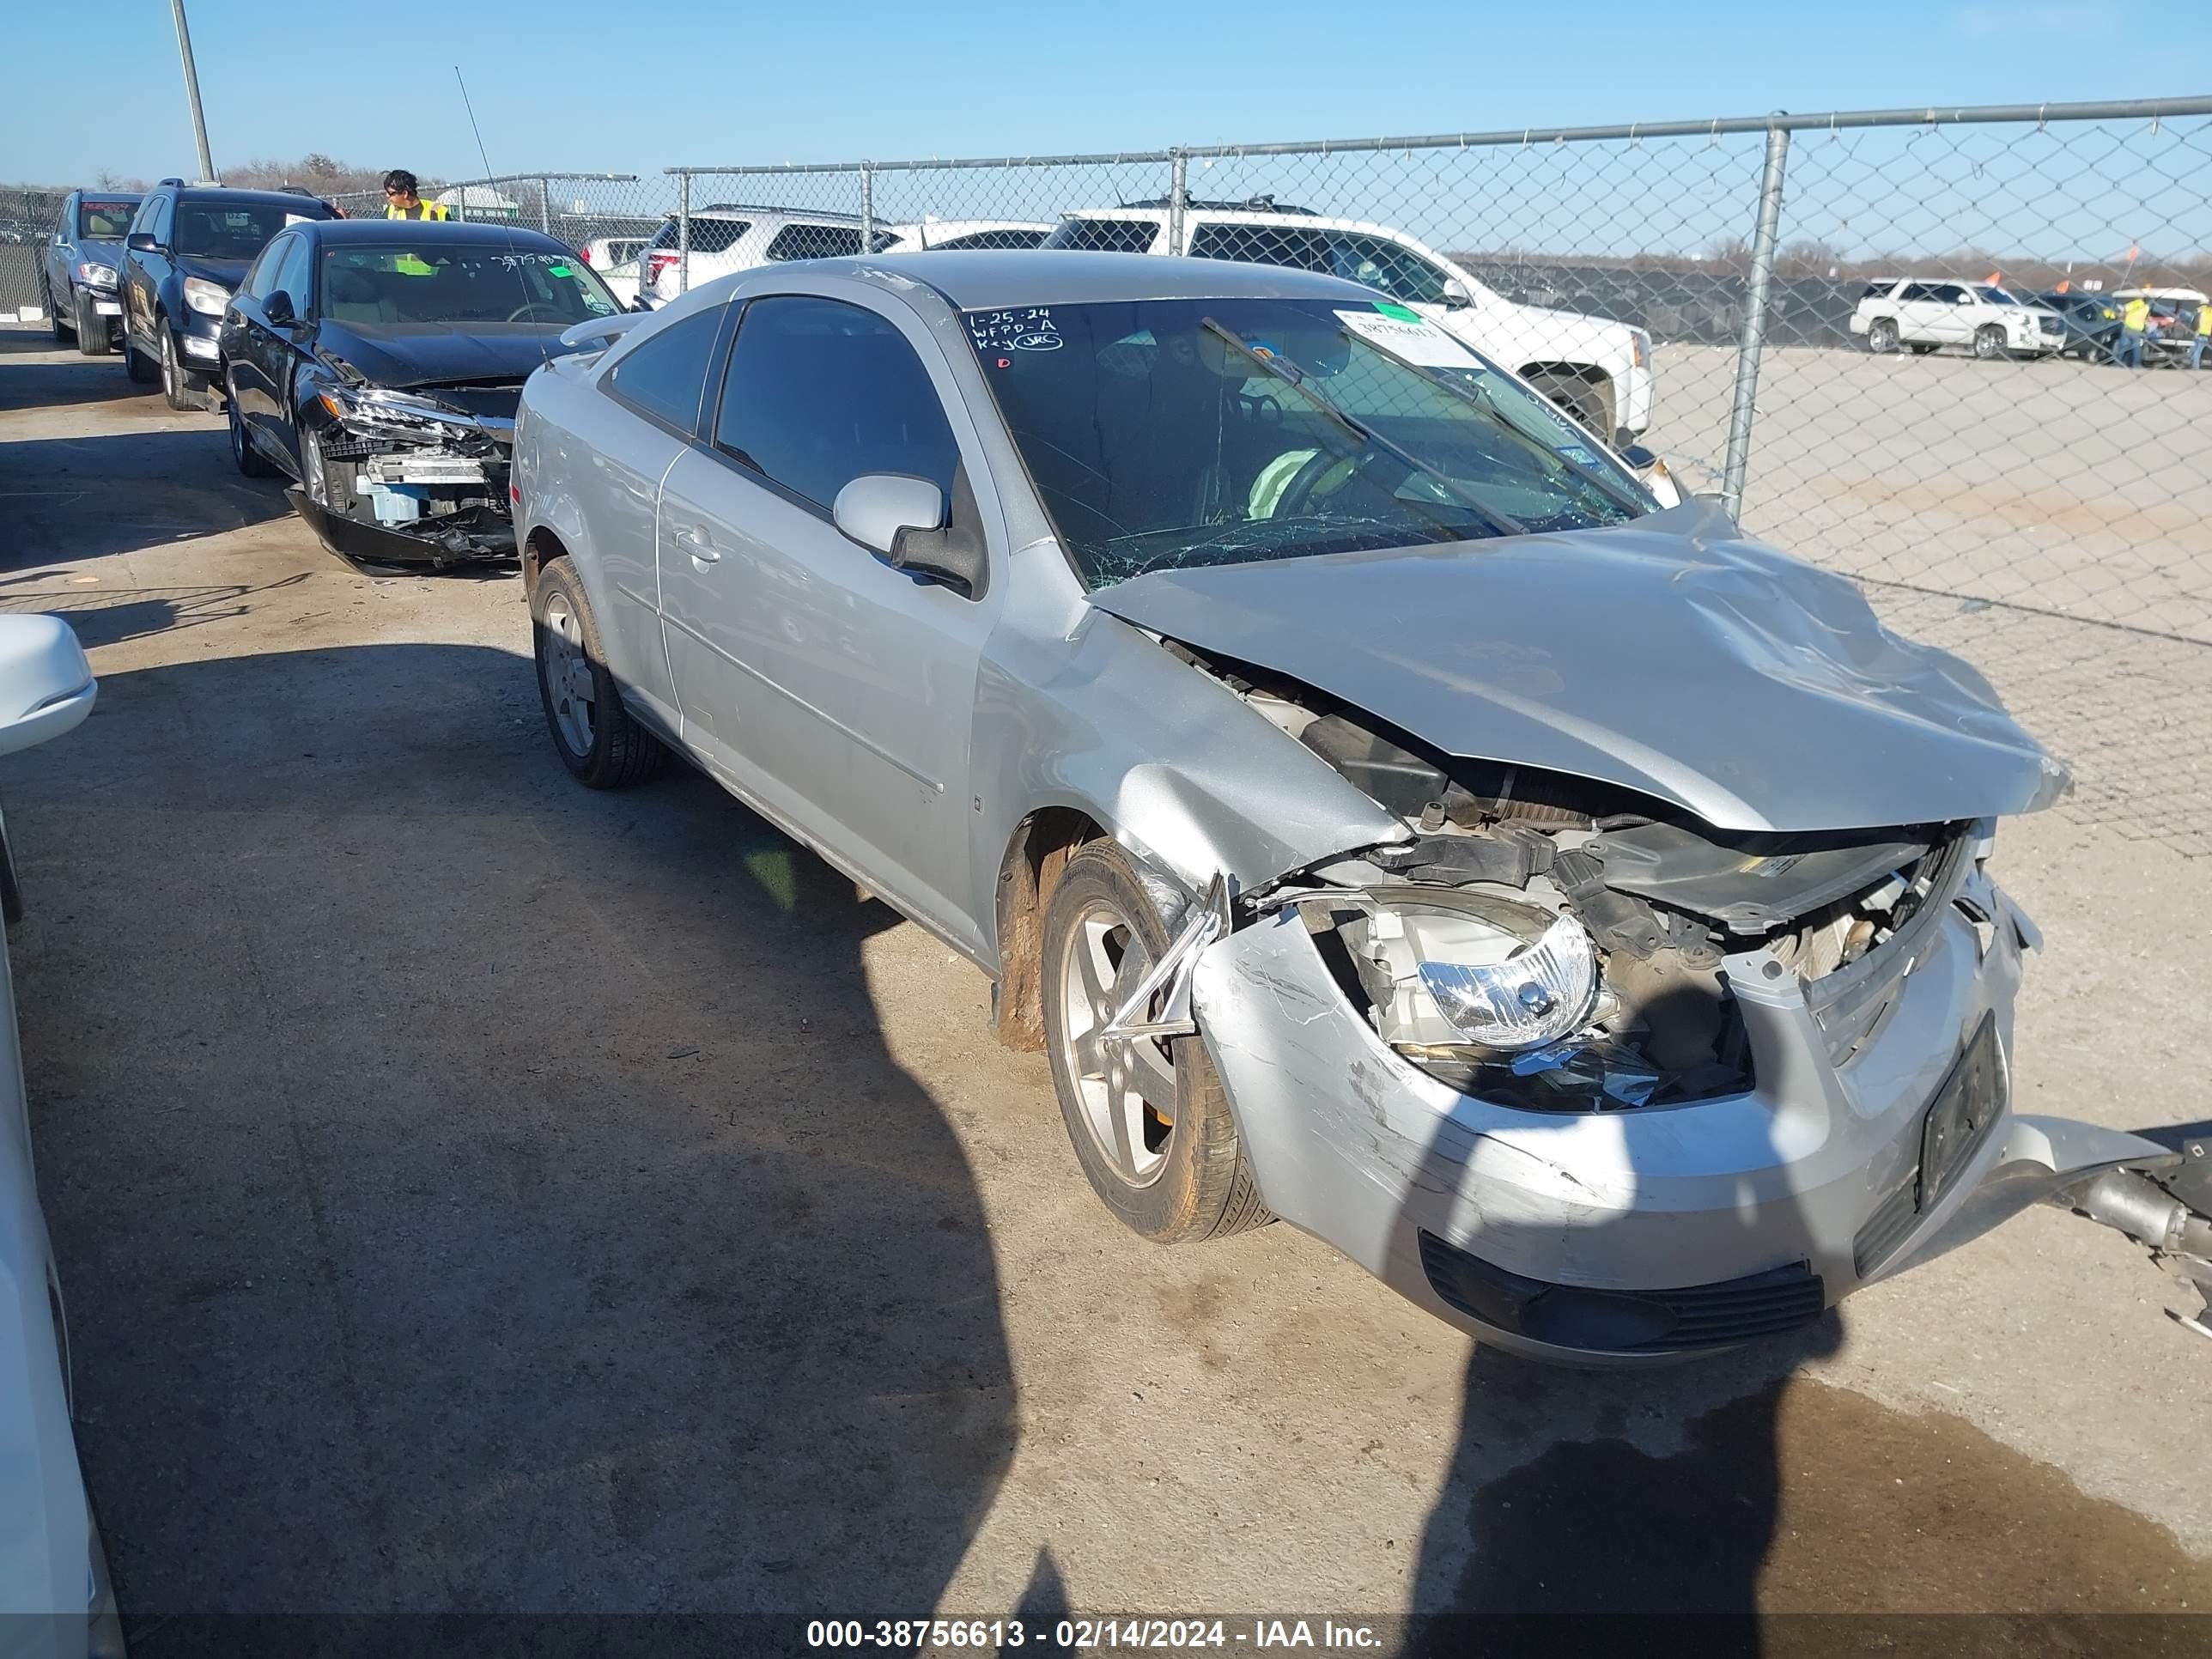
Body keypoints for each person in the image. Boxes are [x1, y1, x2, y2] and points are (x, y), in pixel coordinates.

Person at [382, 170, 450, 222]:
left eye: (390, 193)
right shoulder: (390, 212)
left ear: (405, 194)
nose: (387, 195)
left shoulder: (438, 210)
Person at [2115, 294, 2150, 368]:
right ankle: (2136, 364)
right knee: (2136, 348)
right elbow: (2147, 318)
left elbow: (2122, 316)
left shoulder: (2128, 305)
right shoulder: (2146, 307)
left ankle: (2118, 362)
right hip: (2137, 330)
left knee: (2122, 347)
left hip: (2127, 328)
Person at [2191, 302, 2211, 371]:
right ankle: (2195, 366)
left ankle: (2194, 364)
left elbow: (2194, 314)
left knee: (2195, 349)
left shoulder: (2203, 309)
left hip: (2198, 333)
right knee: (2198, 350)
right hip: (2206, 335)